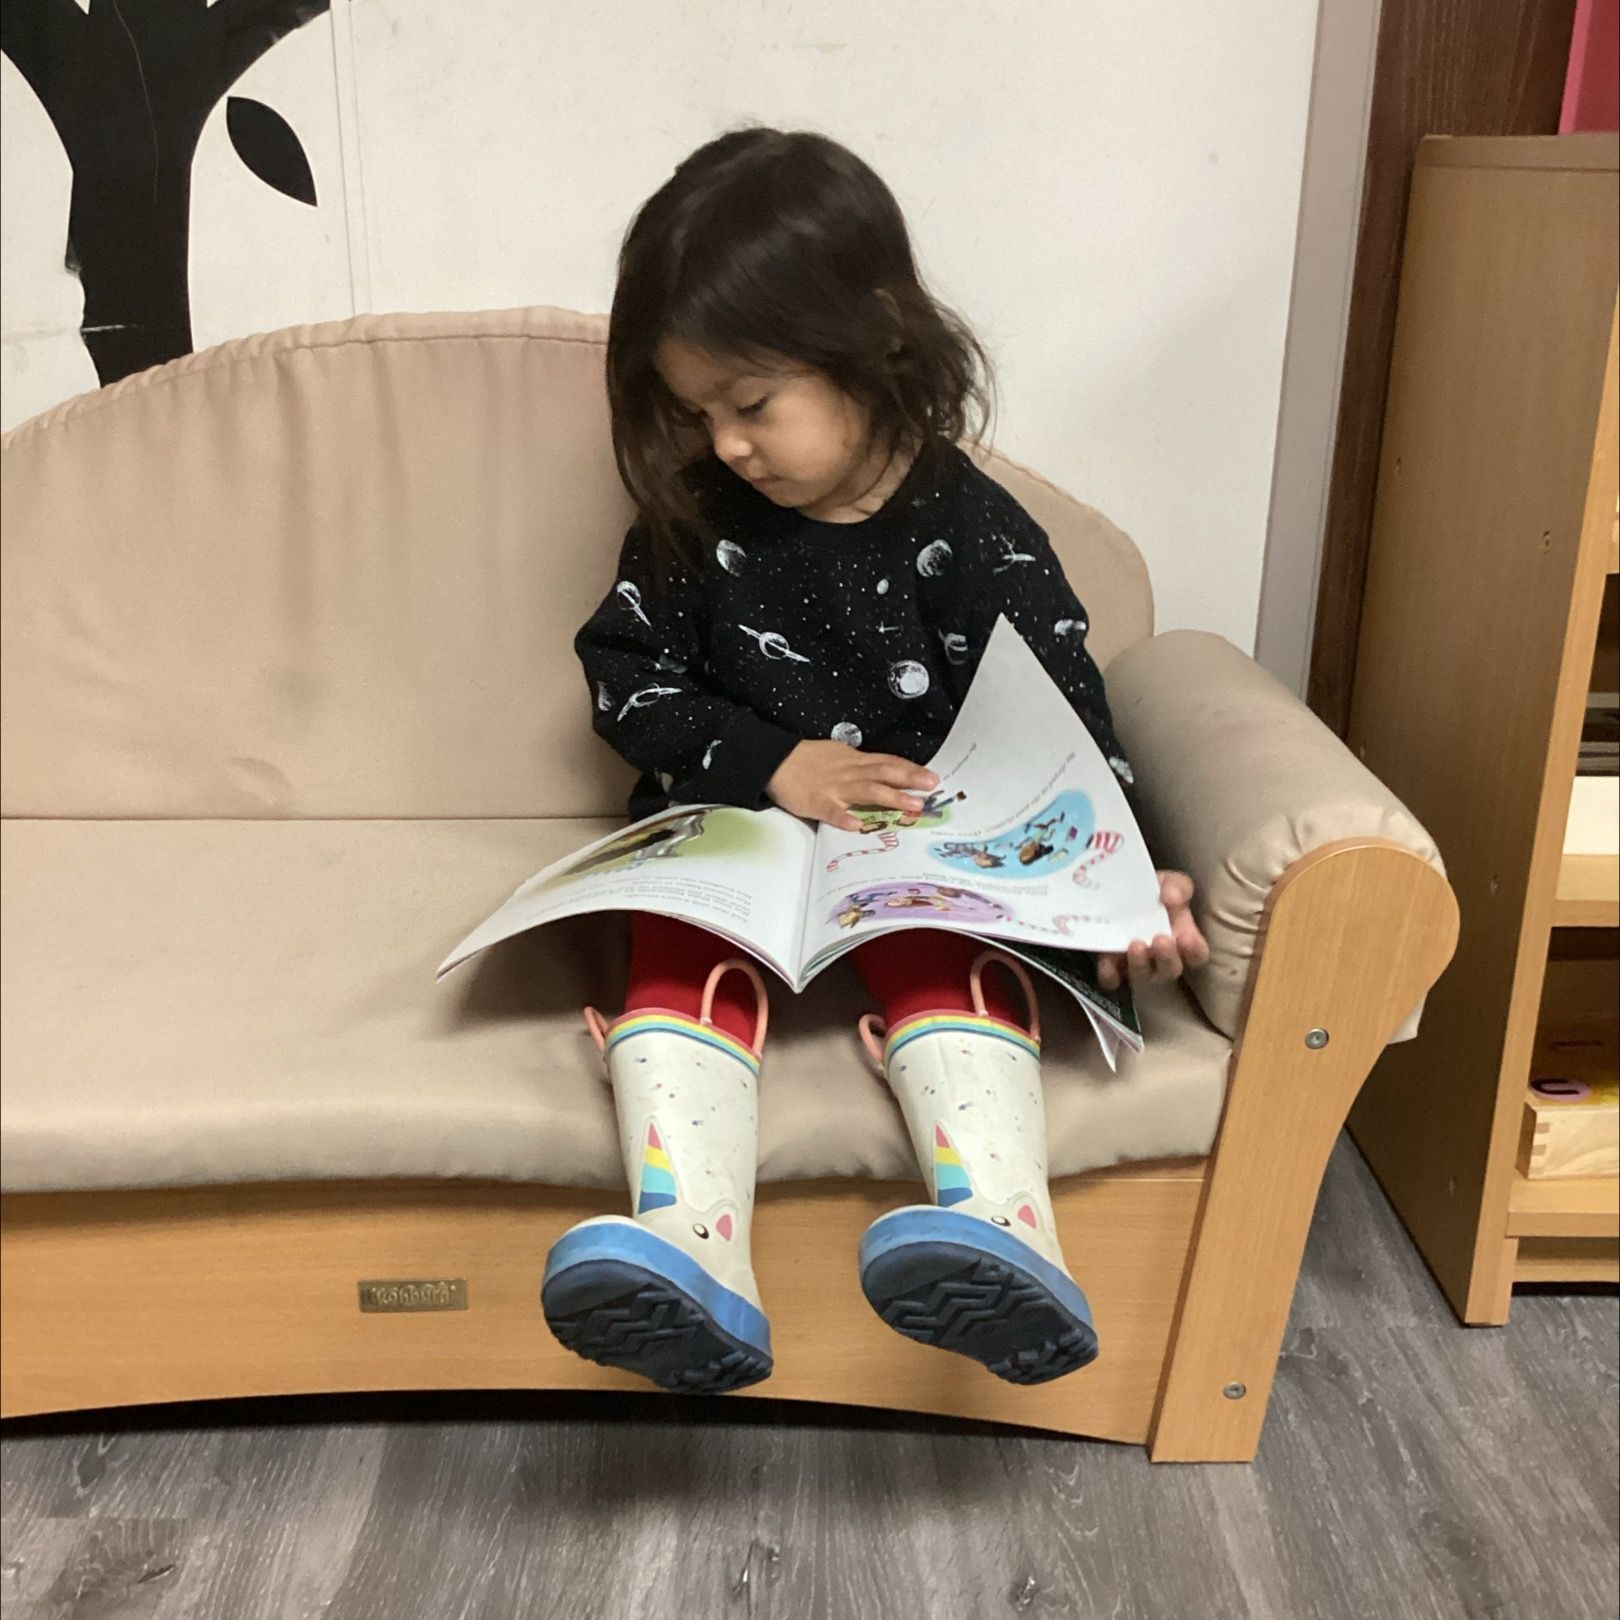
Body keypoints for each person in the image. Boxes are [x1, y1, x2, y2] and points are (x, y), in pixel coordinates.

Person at [542, 127, 1209, 1396]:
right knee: (674, 947)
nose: (726, 447)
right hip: (736, 843)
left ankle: (1008, 1232)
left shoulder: (976, 534)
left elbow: (1066, 725)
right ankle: (693, 1253)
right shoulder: (693, 523)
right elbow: (624, 679)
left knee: (943, 947)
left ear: (877, 342)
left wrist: (1126, 878)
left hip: (917, 861)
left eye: (752, 406)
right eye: (696, 414)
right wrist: (770, 762)